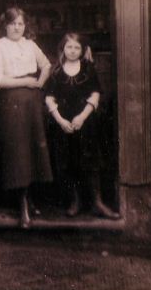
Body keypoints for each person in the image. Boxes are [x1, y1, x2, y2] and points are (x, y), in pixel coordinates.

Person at [44, 32, 120, 219]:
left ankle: (97, 202)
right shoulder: (57, 71)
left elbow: (95, 94)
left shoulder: (88, 69)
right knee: (68, 162)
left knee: (90, 161)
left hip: (85, 123)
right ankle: (75, 201)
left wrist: (82, 117)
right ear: (63, 48)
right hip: (64, 124)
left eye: (77, 47)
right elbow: (49, 98)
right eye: (69, 47)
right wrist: (61, 121)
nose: (72, 51)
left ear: (83, 50)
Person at [0, 6, 53, 228]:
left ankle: (32, 198)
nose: (17, 28)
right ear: (5, 25)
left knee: (34, 148)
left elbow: (46, 65)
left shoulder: (30, 45)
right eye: (13, 23)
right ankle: (22, 204)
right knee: (18, 152)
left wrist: (39, 82)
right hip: (11, 102)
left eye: (20, 24)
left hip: (32, 101)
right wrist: (26, 82)